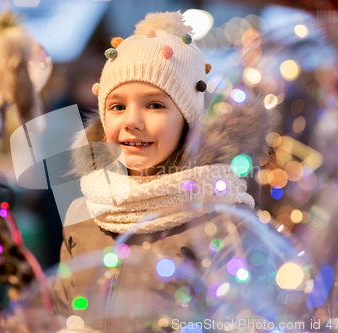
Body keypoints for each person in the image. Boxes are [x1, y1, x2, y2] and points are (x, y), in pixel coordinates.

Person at [50, 11, 309, 333]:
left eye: (155, 105)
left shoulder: (222, 221)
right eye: (117, 106)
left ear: (188, 120)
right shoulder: (85, 212)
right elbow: (64, 312)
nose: (131, 120)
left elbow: (253, 321)